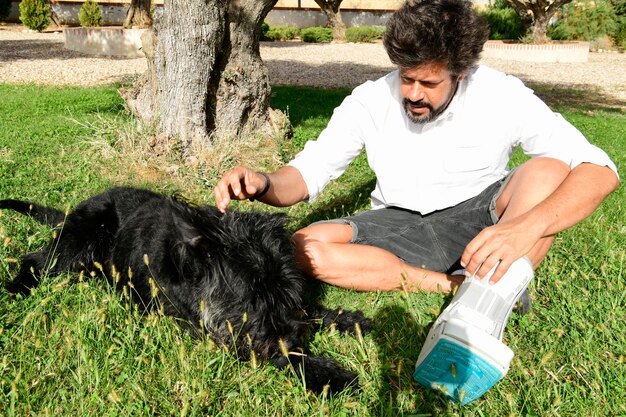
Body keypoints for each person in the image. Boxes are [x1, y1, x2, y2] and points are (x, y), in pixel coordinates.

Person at [214, 0, 619, 295]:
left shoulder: (501, 93)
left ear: (460, 72)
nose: (412, 93)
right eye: (407, 78)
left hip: (481, 216)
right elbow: (305, 176)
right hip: (396, 222)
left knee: (548, 170)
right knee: (302, 246)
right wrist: (263, 182)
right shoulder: (369, 100)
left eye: (428, 83)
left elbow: (600, 170)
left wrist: (522, 229)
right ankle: (455, 286)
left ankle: (497, 287)